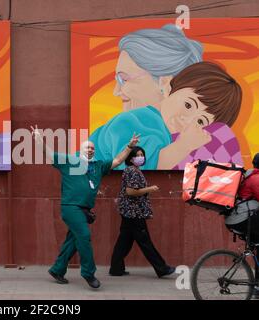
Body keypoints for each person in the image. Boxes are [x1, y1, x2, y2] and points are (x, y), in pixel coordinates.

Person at [95, 24, 242, 169]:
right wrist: (183, 146)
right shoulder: (131, 123)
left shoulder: (176, 136)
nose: (188, 119)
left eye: (201, 120)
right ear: (166, 85)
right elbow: (135, 169)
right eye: (188, 105)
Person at [31, 125, 140, 288]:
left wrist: (129, 146)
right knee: (84, 236)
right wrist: (39, 140)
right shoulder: (69, 161)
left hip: (84, 210)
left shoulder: (98, 166)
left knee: (74, 240)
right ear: (80, 150)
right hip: (71, 207)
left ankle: (57, 269)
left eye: (92, 148)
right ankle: (89, 274)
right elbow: (49, 154)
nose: (89, 149)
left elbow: (117, 160)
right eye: (86, 147)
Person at [109, 146, 175, 277]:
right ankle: (162, 268)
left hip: (129, 212)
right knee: (145, 241)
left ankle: (116, 268)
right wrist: (150, 189)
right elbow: (130, 191)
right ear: (130, 158)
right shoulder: (132, 171)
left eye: (141, 154)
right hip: (134, 212)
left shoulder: (132, 170)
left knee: (124, 241)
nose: (140, 157)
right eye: (137, 155)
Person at [238, 153, 259, 298]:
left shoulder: (251, 176)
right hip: (248, 222)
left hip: (248, 221)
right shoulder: (256, 179)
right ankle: (256, 287)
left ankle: (257, 287)